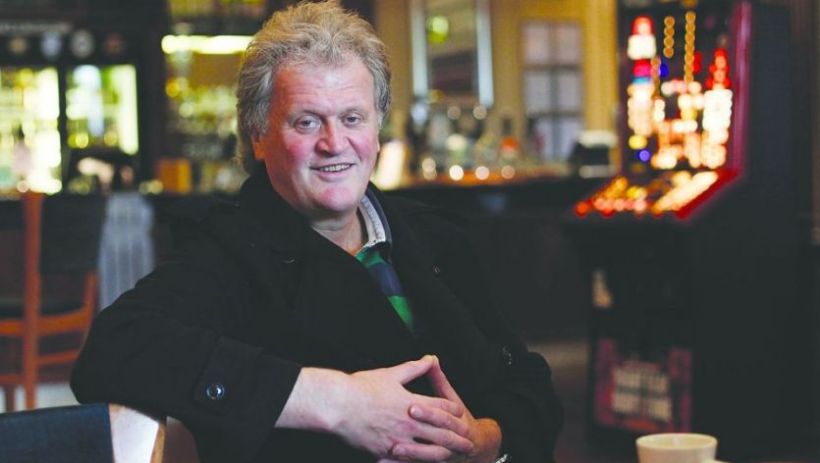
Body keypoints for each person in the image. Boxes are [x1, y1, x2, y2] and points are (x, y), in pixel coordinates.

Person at [70, 2, 563, 462]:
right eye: (306, 122)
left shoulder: (435, 236)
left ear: (377, 129)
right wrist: (335, 402)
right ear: (258, 135)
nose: (334, 143)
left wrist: (485, 438)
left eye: (352, 118)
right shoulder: (228, 251)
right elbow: (111, 354)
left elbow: (527, 383)